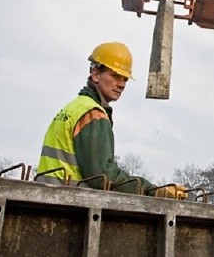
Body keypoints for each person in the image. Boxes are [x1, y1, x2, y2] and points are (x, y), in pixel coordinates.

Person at [37, 42, 185, 198]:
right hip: (69, 204)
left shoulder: (73, 108)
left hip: (48, 197)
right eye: (115, 76)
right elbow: (103, 177)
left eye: (125, 79)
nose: (121, 84)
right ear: (95, 74)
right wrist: (153, 191)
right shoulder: (92, 113)